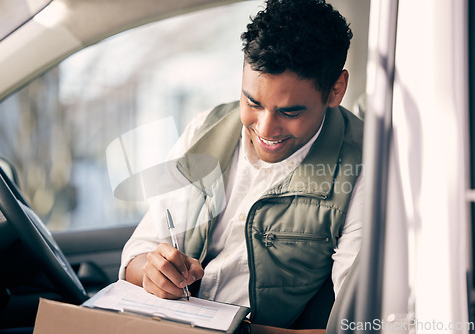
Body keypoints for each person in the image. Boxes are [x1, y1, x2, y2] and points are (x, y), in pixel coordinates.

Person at [119, 0, 363, 330]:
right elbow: (139, 250)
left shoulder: (364, 170)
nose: (265, 129)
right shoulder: (204, 129)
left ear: (336, 90)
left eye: (290, 112)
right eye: (252, 102)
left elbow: (358, 324)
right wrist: (152, 271)